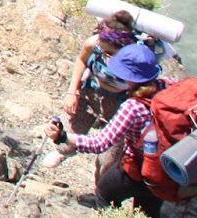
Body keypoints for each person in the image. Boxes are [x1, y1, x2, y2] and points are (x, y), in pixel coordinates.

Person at [46, 43, 168, 217]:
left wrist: (64, 137)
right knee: (148, 211)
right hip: (166, 170)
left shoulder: (133, 107)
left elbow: (99, 143)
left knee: (105, 192)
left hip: (141, 168)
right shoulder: (167, 87)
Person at [63, 11, 138, 132]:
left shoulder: (137, 58)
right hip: (90, 91)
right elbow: (81, 60)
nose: (105, 54)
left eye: (109, 53)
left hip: (118, 102)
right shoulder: (94, 43)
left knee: (108, 147)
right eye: (102, 49)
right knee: (65, 144)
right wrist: (71, 93)